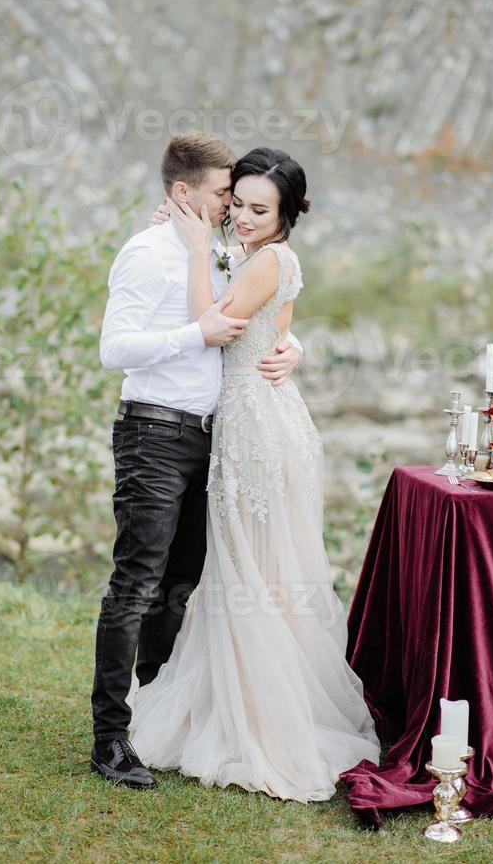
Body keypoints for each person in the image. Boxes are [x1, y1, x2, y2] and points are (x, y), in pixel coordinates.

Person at [127, 147, 380, 802]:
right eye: (235, 203)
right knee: (253, 574)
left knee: (247, 572)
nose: (240, 216)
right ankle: (249, 705)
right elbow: (277, 331)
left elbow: (206, 324)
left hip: (255, 434)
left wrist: (190, 243)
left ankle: (262, 727)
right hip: (265, 420)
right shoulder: (268, 259)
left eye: (258, 209)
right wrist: (291, 347)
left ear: (288, 213)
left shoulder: (268, 258)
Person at [90, 133, 304, 789]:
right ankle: (109, 739)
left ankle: (154, 709)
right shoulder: (146, 253)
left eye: (239, 200)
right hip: (153, 433)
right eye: (222, 196)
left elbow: (262, 304)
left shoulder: (218, 251)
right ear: (182, 194)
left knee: (181, 585)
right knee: (137, 583)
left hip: (213, 437)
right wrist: (194, 333)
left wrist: (295, 348)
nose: (231, 208)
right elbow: (113, 348)